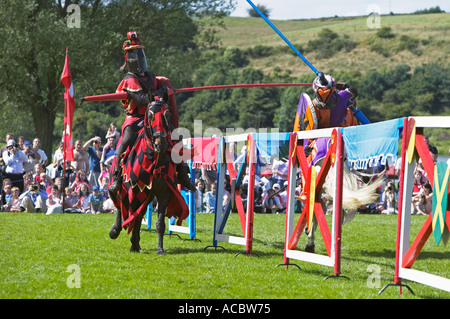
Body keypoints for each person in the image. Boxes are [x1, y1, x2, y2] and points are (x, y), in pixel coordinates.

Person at [109, 31, 194, 193]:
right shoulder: (130, 79)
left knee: (174, 136)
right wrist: (159, 93)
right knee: (126, 139)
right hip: (135, 118)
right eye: (135, 54)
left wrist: (165, 89)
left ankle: (182, 172)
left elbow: (158, 95)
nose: (139, 57)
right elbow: (142, 99)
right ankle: (117, 175)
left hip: (153, 116)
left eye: (140, 53)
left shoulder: (151, 76)